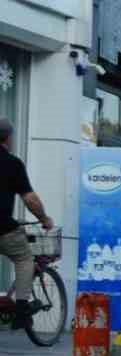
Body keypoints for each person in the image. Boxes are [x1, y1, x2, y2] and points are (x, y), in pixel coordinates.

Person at [1, 117, 56, 329]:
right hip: (3, 228)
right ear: (8, 139)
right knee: (24, 258)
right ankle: (22, 310)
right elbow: (30, 199)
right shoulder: (12, 163)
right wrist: (44, 219)